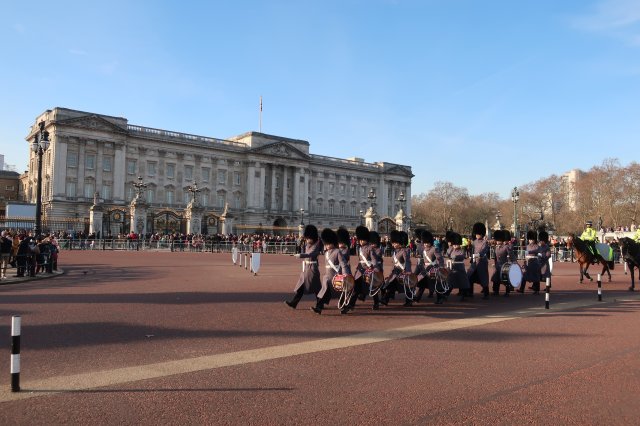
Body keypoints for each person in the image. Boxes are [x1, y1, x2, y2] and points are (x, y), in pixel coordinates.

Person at [344, 226, 382, 313]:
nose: (360, 242)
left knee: (372, 287)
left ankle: (376, 302)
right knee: (355, 288)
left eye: (362, 240)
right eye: (359, 240)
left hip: (369, 270)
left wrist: (375, 268)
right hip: (360, 271)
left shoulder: (370, 248)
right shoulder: (360, 248)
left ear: (366, 239)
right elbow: (360, 260)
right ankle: (351, 305)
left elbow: (374, 259)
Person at [285, 225, 322, 310]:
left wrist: (300, 255)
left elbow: (310, 254)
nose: (307, 240)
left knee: (316, 288)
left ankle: (320, 304)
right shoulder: (308, 244)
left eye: (309, 238)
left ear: (313, 237)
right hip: (306, 267)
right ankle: (294, 303)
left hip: (313, 268)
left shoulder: (316, 245)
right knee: (302, 286)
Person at [381, 230, 413, 307]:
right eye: (393, 243)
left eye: (395, 243)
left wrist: (408, 271)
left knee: (407, 286)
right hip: (396, 272)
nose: (393, 244)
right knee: (390, 285)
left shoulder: (405, 251)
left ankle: (409, 301)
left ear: (400, 243)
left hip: (403, 271)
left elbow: (407, 261)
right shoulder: (395, 251)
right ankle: (385, 299)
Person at [312, 228, 339, 314]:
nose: (326, 245)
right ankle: (319, 308)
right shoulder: (326, 253)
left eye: (328, 243)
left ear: (333, 243)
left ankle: (346, 305)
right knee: (323, 291)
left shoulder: (337, 252)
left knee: (338, 293)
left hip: (335, 276)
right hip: (327, 277)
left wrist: (346, 273)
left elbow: (343, 264)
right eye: (326, 244)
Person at [414, 230, 445, 303]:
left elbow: (440, 259)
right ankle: (418, 297)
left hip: (432, 269)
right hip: (425, 269)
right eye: (424, 243)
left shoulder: (434, 249)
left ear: (430, 242)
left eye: (427, 243)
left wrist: (440, 267)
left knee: (435, 284)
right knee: (422, 283)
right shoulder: (424, 250)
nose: (425, 244)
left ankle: (440, 298)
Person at [467, 222, 490, 299]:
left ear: (482, 234)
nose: (477, 235)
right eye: (476, 234)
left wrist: (479, 255)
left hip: (482, 262)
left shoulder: (485, 242)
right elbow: (472, 251)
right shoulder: (474, 242)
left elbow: (484, 251)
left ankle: (486, 293)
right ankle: (470, 292)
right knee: (470, 276)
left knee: (483, 278)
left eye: (478, 234)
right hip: (474, 262)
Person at [445, 232, 471, 300]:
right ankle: (446, 295)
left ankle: (463, 295)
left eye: (456, 245)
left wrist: (455, 257)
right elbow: (447, 256)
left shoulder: (462, 250)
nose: (455, 246)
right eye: (454, 245)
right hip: (452, 268)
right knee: (450, 282)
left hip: (460, 268)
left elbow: (462, 256)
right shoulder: (450, 250)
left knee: (462, 283)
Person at [491, 230, 517, 296]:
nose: (497, 242)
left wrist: (514, 262)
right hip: (497, 265)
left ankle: (507, 292)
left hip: (504, 265)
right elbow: (495, 257)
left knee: (505, 278)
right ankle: (496, 291)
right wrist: (495, 264)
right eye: (497, 240)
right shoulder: (496, 248)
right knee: (496, 278)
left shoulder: (506, 247)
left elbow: (511, 255)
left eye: (498, 240)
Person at [519, 230, 541, 294]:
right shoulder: (528, 246)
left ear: (534, 240)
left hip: (534, 263)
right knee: (524, 276)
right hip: (528, 263)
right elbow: (526, 255)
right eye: (529, 239)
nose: (530, 241)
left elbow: (536, 251)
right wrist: (525, 262)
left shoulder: (537, 246)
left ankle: (537, 290)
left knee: (536, 277)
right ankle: (521, 289)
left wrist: (529, 252)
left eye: (531, 240)